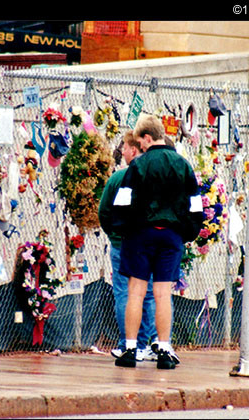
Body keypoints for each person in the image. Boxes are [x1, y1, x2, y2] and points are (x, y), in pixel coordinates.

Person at [113, 114, 201, 369]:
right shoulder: (183, 165)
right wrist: (186, 233)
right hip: (171, 236)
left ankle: (130, 348)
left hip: (140, 234)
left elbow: (123, 202)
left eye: (140, 142)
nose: (139, 147)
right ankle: (164, 348)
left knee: (136, 292)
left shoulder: (138, 166)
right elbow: (195, 205)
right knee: (163, 294)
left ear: (147, 138)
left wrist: (124, 230)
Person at [99, 131, 158, 363]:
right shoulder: (155, 178)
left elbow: (104, 211)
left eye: (124, 147)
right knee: (150, 294)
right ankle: (145, 344)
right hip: (148, 243)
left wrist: (114, 235)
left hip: (122, 244)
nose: (121, 151)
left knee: (124, 293)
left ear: (134, 150)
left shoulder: (118, 178)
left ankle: (127, 344)